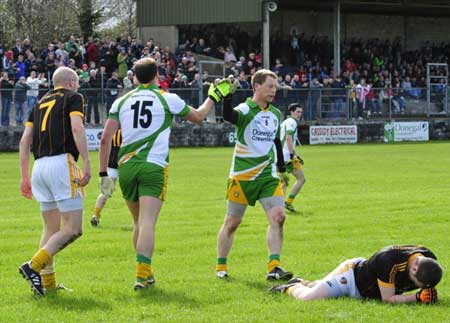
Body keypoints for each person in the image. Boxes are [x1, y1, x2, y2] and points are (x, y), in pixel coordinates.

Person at [98, 57, 234, 290]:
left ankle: (146, 274)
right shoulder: (166, 98)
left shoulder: (121, 101)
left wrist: (104, 174)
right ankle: (141, 276)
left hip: (127, 166)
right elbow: (199, 117)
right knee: (148, 221)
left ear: (135, 76)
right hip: (153, 166)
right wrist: (213, 96)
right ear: (157, 75)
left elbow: (105, 139)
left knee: (137, 222)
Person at [18, 66, 90, 297]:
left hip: (40, 167)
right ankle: (33, 266)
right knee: (74, 228)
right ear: (70, 82)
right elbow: (77, 128)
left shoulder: (39, 103)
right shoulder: (73, 97)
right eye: (77, 83)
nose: (78, 87)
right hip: (61, 164)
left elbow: (24, 141)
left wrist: (24, 176)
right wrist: (87, 162)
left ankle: (47, 283)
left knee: (51, 227)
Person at [215, 69, 292, 281]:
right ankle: (221, 266)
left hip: (267, 177)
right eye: (269, 86)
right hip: (242, 177)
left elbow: (276, 141)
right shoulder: (245, 109)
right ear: (256, 86)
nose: (273, 90)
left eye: (275, 87)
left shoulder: (276, 114)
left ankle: (274, 267)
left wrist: (282, 169)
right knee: (232, 223)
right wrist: (227, 97)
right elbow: (229, 116)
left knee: (279, 217)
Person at [270, 245, 442, 304]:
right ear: (413, 270)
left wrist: (429, 294)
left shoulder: (428, 259)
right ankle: (291, 287)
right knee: (308, 299)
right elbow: (388, 299)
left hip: (367, 285)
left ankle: (304, 282)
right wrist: (416, 298)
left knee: (319, 287)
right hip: (350, 279)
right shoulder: (389, 260)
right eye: (416, 284)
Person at [91, 129, 122, 227]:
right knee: (134, 191)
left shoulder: (111, 127)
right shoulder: (127, 127)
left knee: (105, 193)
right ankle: (141, 219)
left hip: (112, 164)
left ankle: (95, 215)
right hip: (125, 162)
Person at [280, 103, 305, 213]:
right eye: (297, 111)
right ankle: (287, 203)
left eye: (301, 112)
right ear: (292, 112)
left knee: (284, 182)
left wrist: (296, 154)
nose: (300, 114)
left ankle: (282, 205)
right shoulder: (291, 122)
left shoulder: (286, 122)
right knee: (301, 179)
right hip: (286, 156)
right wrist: (292, 155)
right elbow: (288, 138)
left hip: (281, 155)